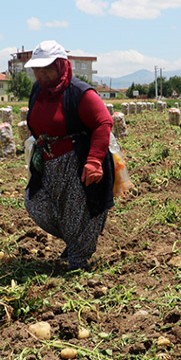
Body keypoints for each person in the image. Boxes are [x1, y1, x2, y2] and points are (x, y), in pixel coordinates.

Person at [24, 40, 115, 271]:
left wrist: (94, 161)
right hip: (47, 160)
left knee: (79, 212)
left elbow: (103, 122)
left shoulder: (79, 93)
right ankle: (75, 242)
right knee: (36, 203)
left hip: (77, 160)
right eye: (37, 69)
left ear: (62, 66)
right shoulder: (38, 91)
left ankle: (78, 261)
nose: (41, 74)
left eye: (47, 69)